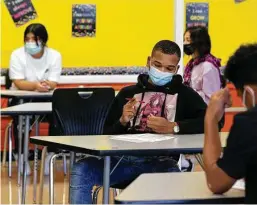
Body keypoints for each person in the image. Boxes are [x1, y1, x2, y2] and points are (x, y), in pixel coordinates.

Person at [70, 40, 207, 204]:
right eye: (157, 65)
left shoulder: (185, 95)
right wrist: (121, 121)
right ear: (148, 61)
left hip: (160, 163)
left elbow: (212, 121)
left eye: (169, 68)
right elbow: (105, 135)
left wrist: (174, 127)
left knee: (172, 182)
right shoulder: (127, 93)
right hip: (120, 161)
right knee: (81, 169)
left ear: (176, 69)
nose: (162, 71)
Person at [203, 43, 257, 203]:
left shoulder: (248, 123)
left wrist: (211, 120)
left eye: (240, 95)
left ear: (248, 91)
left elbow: (216, 182)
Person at [9, 23, 62, 175]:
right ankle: (21, 157)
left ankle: (50, 156)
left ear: (43, 40)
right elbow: (18, 81)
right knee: (21, 120)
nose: (30, 42)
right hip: (22, 98)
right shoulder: (17, 55)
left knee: (58, 116)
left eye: (35, 39)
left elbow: (53, 82)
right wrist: (34, 86)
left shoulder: (54, 55)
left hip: (46, 97)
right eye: (27, 39)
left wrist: (46, 84)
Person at [183, 26, 222, 104]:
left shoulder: (208, 66)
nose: (184, 43)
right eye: (184, 40)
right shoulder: (191, 65)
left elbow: (211, 97)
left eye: (188, 40)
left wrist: (189, 94)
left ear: (198, 42)